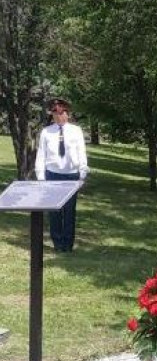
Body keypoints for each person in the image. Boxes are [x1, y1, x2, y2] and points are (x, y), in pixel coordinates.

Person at [35, 98, 88, 252]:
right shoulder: (46, 132)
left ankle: (68, 244)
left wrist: (83, 173)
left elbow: (81, 152)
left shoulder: (76, 131)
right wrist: (41, 177)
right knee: (54, 212)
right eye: (55, 113)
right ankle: (57, 243)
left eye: (61, 112)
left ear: (67, 113)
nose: (58, 116)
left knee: (69, 211)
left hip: (71, 175)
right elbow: (41, 154)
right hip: (52, 174)